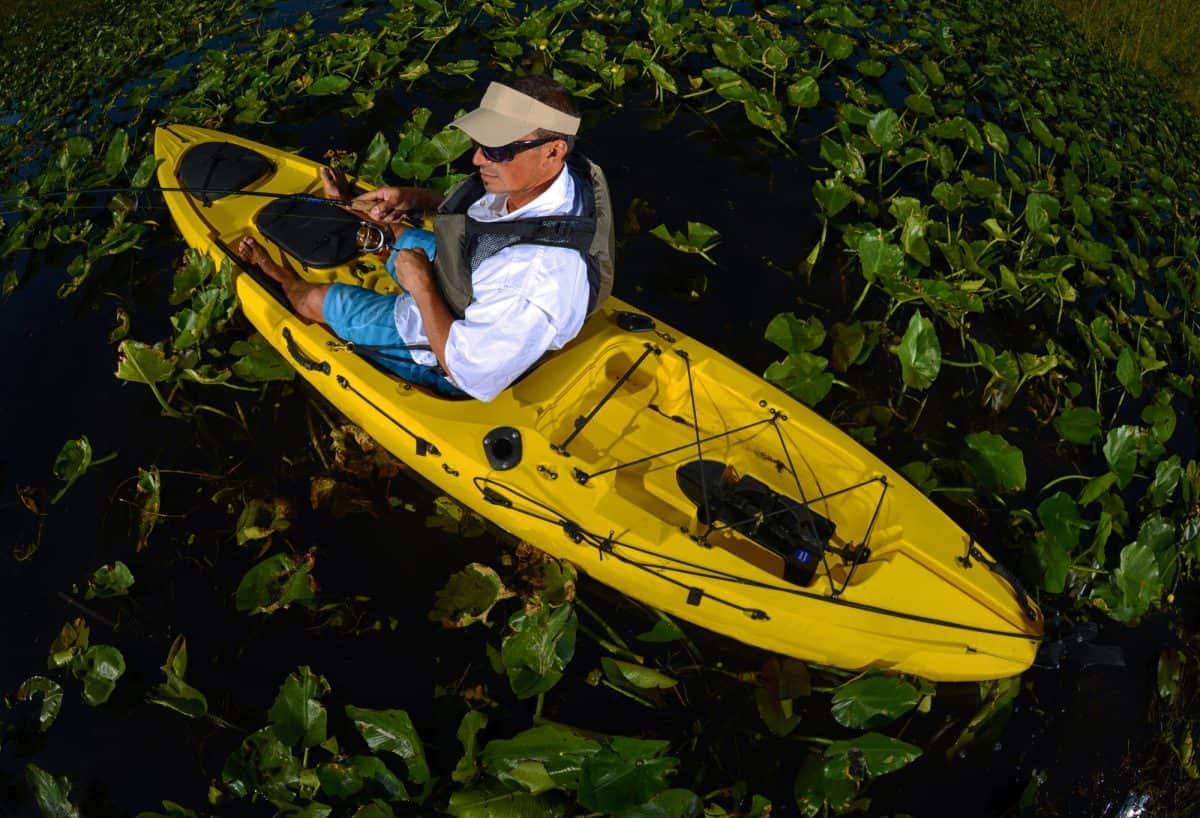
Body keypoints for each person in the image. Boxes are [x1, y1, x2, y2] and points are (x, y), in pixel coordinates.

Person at [235, 76, 615, 401]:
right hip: (475, 278)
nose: (478, 160)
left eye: (498, 149)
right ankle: (353, 212)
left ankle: (278, 276)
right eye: (479, 143)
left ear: (553, 150)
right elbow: (484, 218)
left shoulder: (536, 278)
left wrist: (421, 286)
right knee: (396, 231)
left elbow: (472, 374)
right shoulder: (555, 181)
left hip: (446, 354)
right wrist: (418, 198)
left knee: (319, 299)